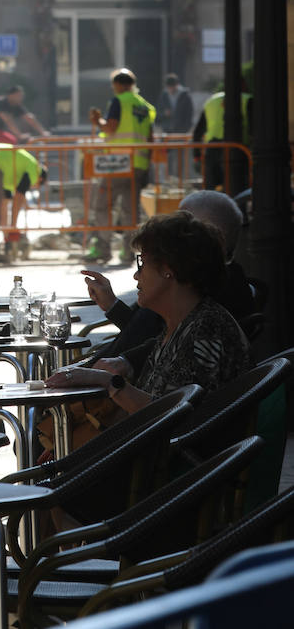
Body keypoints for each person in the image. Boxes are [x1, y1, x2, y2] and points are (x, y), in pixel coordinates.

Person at [48, 212, 251, 414]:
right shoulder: (180, 324)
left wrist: (110, 383)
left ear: (167, 269)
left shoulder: (205, 328)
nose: (136, 275)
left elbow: (176, 419)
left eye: (142, 264)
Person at [80, 189, 255, 358]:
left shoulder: (199, 295)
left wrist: (121, 371)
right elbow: (148, 334)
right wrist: (112, 305)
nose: (136, 275)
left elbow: (162, 348)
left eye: (181, 225)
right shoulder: (190, 285)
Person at [86, 68, 156, 265]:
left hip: (117, 163)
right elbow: (150, 138)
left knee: (101, 205)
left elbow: (111, 127)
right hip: (139, 164)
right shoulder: (145, 106)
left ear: (118, 85)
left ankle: (103, 248)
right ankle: (129, 251)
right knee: (130, 210)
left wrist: (97, 121)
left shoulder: (120, 100)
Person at [193, 87, 253, 190]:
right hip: (238, 149)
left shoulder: (211, 101)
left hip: (212, 149)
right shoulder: (247, 99)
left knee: (211, 189)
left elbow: (198, 131)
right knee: (236, 189)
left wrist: (196, 155)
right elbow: (254, 129)